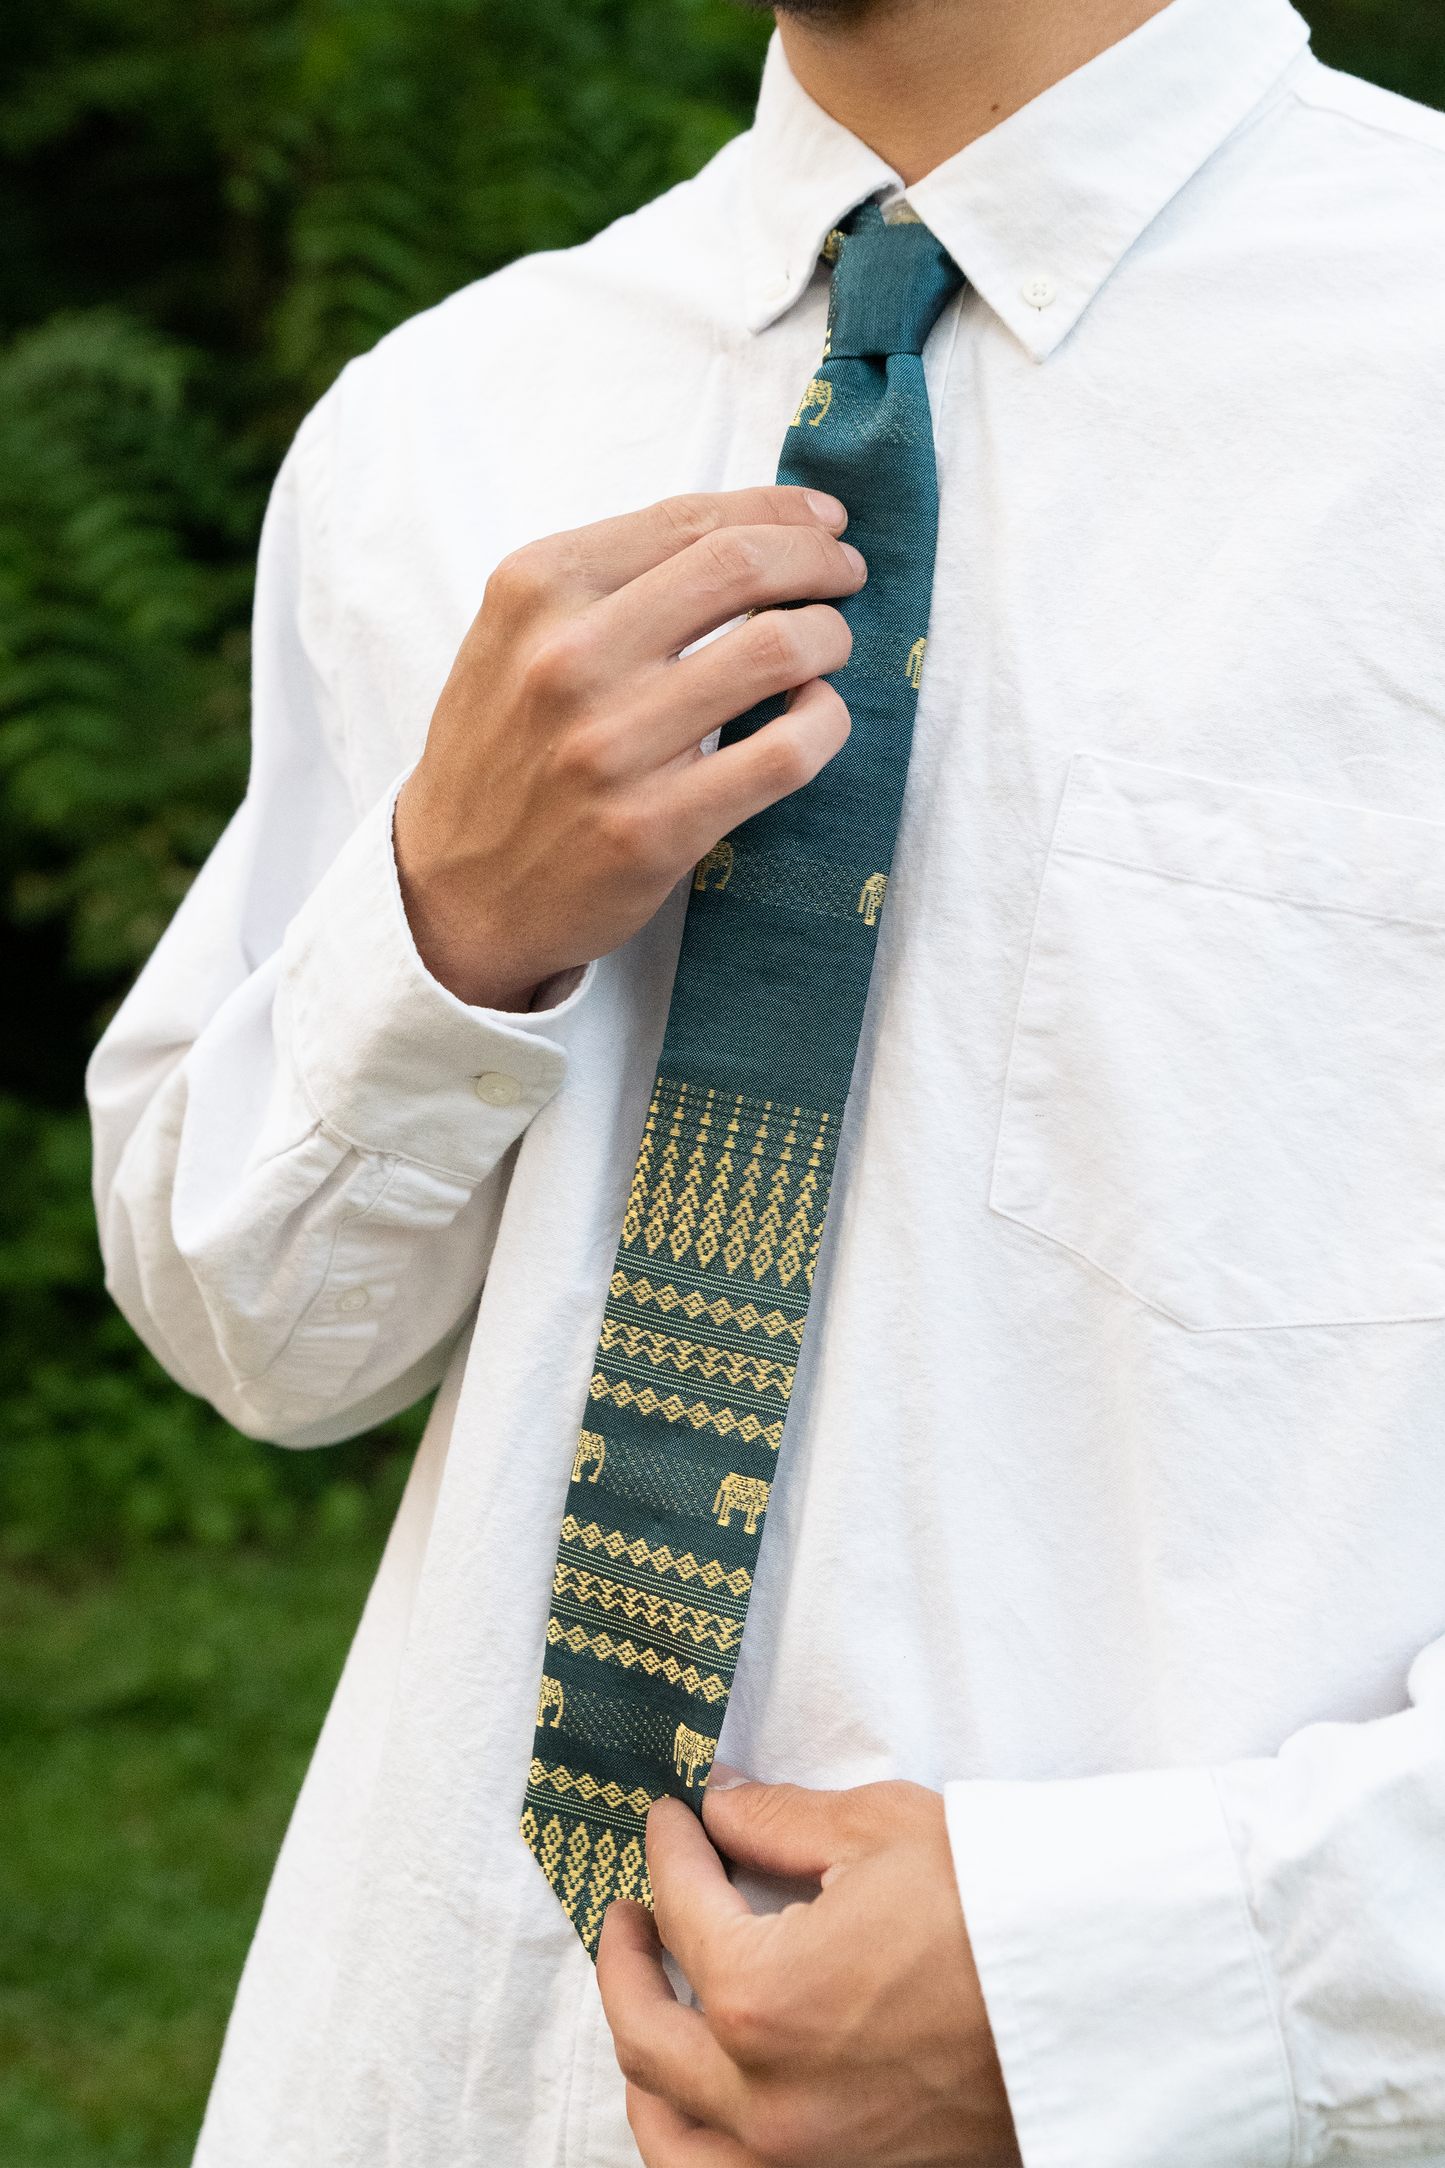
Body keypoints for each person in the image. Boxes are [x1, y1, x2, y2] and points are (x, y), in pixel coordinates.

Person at [87, 0, 1445, 2157]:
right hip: (431, 2070)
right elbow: (263, 1326)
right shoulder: (445, 417)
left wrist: (1148, 1983)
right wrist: (447, 917)